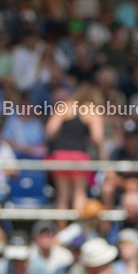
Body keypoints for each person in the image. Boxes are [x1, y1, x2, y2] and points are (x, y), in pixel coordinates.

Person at [45, 84, 105, 215]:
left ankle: (61, 232)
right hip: (79, 156)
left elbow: (50, 130)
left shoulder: (65, 106)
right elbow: (97, 137)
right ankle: (80, 232)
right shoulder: (91, 109)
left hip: (60, 156)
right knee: (79, 195)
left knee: (62, 197)